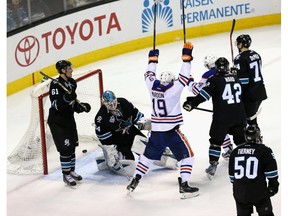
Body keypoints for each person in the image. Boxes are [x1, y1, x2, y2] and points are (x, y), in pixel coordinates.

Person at [127, 42, 199, 199]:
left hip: (156, 132)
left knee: (147, 157)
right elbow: (184, 77)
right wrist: (186, 57)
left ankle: (135, 180)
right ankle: (184, 185)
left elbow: (148, 74)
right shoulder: (174, 89)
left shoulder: (153, 86)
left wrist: (153, 60)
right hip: (170, 132)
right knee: (188, 156)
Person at [183, 57, 246, 180]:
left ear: (216, 68)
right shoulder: (236, 78)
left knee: (216, 142)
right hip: (239, 116)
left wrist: (192, 103)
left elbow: (203, 95)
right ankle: (244, 162)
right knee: (241, 142)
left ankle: (213, 165)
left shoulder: (214, 79)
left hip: (222, 117)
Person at [94, 90, 178, 177]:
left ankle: (170, 160)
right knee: (130, 168)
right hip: (119, 143)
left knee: (151, 152)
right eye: (109, 104)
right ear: (104, 104)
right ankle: (106, 159)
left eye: (113, 102)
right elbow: (104, 138)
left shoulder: (124, 103)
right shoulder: (101, 117)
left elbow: (136, 116)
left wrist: (145, 123)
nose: (112, 105)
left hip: (133, 135)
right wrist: (110, 150)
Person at [47, 60, 91, 187]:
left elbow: (72, 104)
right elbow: (56, 105)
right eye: (69, 68)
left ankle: (71, 171)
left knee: (72, 147)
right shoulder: (55, 85)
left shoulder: (72, 83)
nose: (72, 70)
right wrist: (66, 98)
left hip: (68, 120)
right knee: (65, 149)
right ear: (62, 71)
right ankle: (66, 175)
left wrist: (81, 107)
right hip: (58, 122)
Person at [228, 125, 279, 216]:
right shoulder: (264, 150)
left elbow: (232, 178)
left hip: (240, 193)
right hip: (258, 192)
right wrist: (273, 187)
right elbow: (272, 173)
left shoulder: (235, 152)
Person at [190, 54, 233, 160]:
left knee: (219, 130)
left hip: (221, 107)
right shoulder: (230, 71)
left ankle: (228, 149)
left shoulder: (208, 74)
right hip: (236, 105)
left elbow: (197, 91)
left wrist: (190, 82)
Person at [233, 34, 267, 139]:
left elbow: (244, 81)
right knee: (251, 118)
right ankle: (256, 138)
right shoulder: (256, 54)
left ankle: (255, 140)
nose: (237, 45)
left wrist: (235, 76)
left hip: (250, 93)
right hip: (260, 90)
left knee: (249, 119)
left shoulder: (239, 58)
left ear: (242, 44)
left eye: (238, 43)